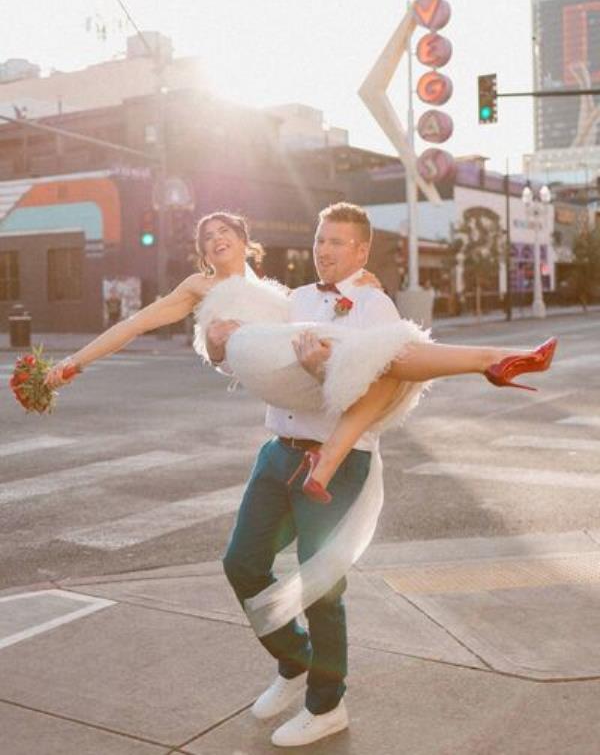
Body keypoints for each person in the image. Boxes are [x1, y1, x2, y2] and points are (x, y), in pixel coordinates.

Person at [45, 204, 557, 748]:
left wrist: (325, 363)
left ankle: (326, 701)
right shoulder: (296, 299)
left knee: (321, 587)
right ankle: (296, 661)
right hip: (278, 452)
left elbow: (380, 390)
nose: (325, 250)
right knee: (242, 564)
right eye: (321, 240)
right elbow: (238, 345)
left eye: (339, 242)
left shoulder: (370, 303)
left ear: (360, 251)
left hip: (340, 456)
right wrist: (92, 362)